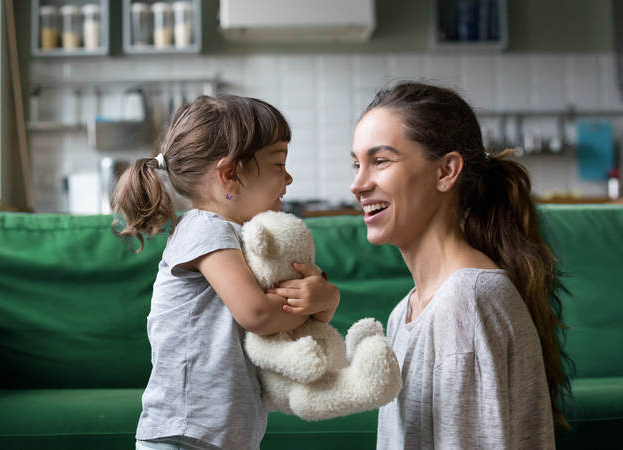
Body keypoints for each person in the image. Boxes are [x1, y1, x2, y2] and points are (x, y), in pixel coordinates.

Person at [349, 81, 571, 449]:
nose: (358, 184)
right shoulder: (404, 312)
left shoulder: (466, 301)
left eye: (381, 161)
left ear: (446, 171)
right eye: (357, 164)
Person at [111, 94, 340, 450]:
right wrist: (319, 299)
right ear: (230, 174)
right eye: (279, 164)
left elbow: (294, 317)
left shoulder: (242, 238)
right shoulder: (205, 229)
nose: (289, 178)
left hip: (223, 433)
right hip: (183, 433)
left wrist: (323, 297)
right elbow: (259, 314)